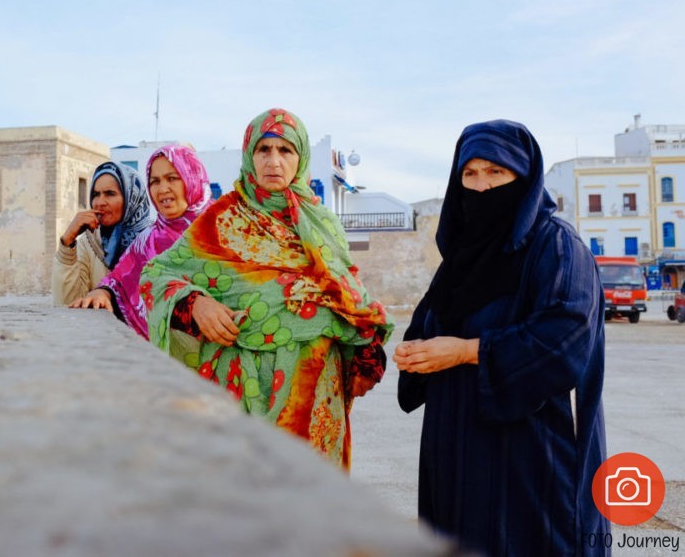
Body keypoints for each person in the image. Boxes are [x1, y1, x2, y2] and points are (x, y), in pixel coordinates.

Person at [393, 120, 609, 556]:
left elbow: (565, 337)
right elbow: (433, 322)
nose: (481, 186)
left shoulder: (557, 247)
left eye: (496, 172)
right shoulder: (461, 257)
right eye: (469, 174)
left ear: (523, 178)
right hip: (455, 448)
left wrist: (467, 352)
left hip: (527, 452)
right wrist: (416, 352)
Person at [143, 109, 393, 470]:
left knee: (312, 505)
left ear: (300, 157)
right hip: (243, 387)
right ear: (249, 155)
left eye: (285, 150)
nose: (273, 161)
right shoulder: (222, 219)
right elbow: (157, 274)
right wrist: (195, 303)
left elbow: (351, 297)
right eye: (264, 149)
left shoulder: (323, 225)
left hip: (317, 392)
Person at [70, 144, 211, 338]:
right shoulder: (147, 241)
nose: (162, 189)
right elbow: (117, 281)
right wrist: (103, 292)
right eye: (154, 181)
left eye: (172, 178)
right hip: (155, 359)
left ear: (192, 178)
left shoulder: (225, 228)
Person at [51, 161, 150, 306]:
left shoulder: (154, 240)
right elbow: (67, 303)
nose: (100, 202)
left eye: (110, 194)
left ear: (131, 198)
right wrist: (67, 242)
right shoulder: (90, 242)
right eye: (96, 194)